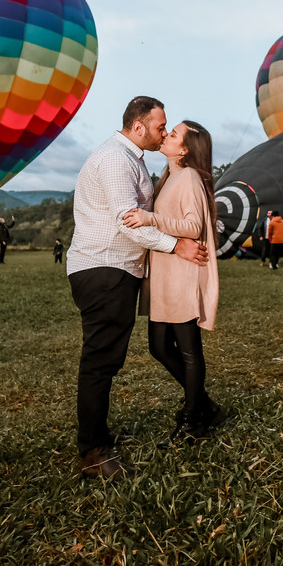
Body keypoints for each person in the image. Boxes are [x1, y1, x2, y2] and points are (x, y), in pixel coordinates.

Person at [67, 96, 207, 480]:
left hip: (116, 270)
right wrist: (177, 244)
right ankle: (93, 451)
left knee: (107, 360)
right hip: (104, 268)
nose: (165, 132)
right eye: (161, 126)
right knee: (100, 360)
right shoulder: (115, 159)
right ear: (139, 126)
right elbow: (126, 221)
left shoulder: (132, 160)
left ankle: (98, 436)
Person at [123, 120, 225, 446]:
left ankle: (195, 422)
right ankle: (204, 406)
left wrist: (150, 218)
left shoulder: (190, 177)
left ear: (185, 149)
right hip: (164, 277)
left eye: (174, 133)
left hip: (182, 275)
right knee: (159, 346)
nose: (166, 134)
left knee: (188, 350)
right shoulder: (170, 178)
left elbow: (193, 227)